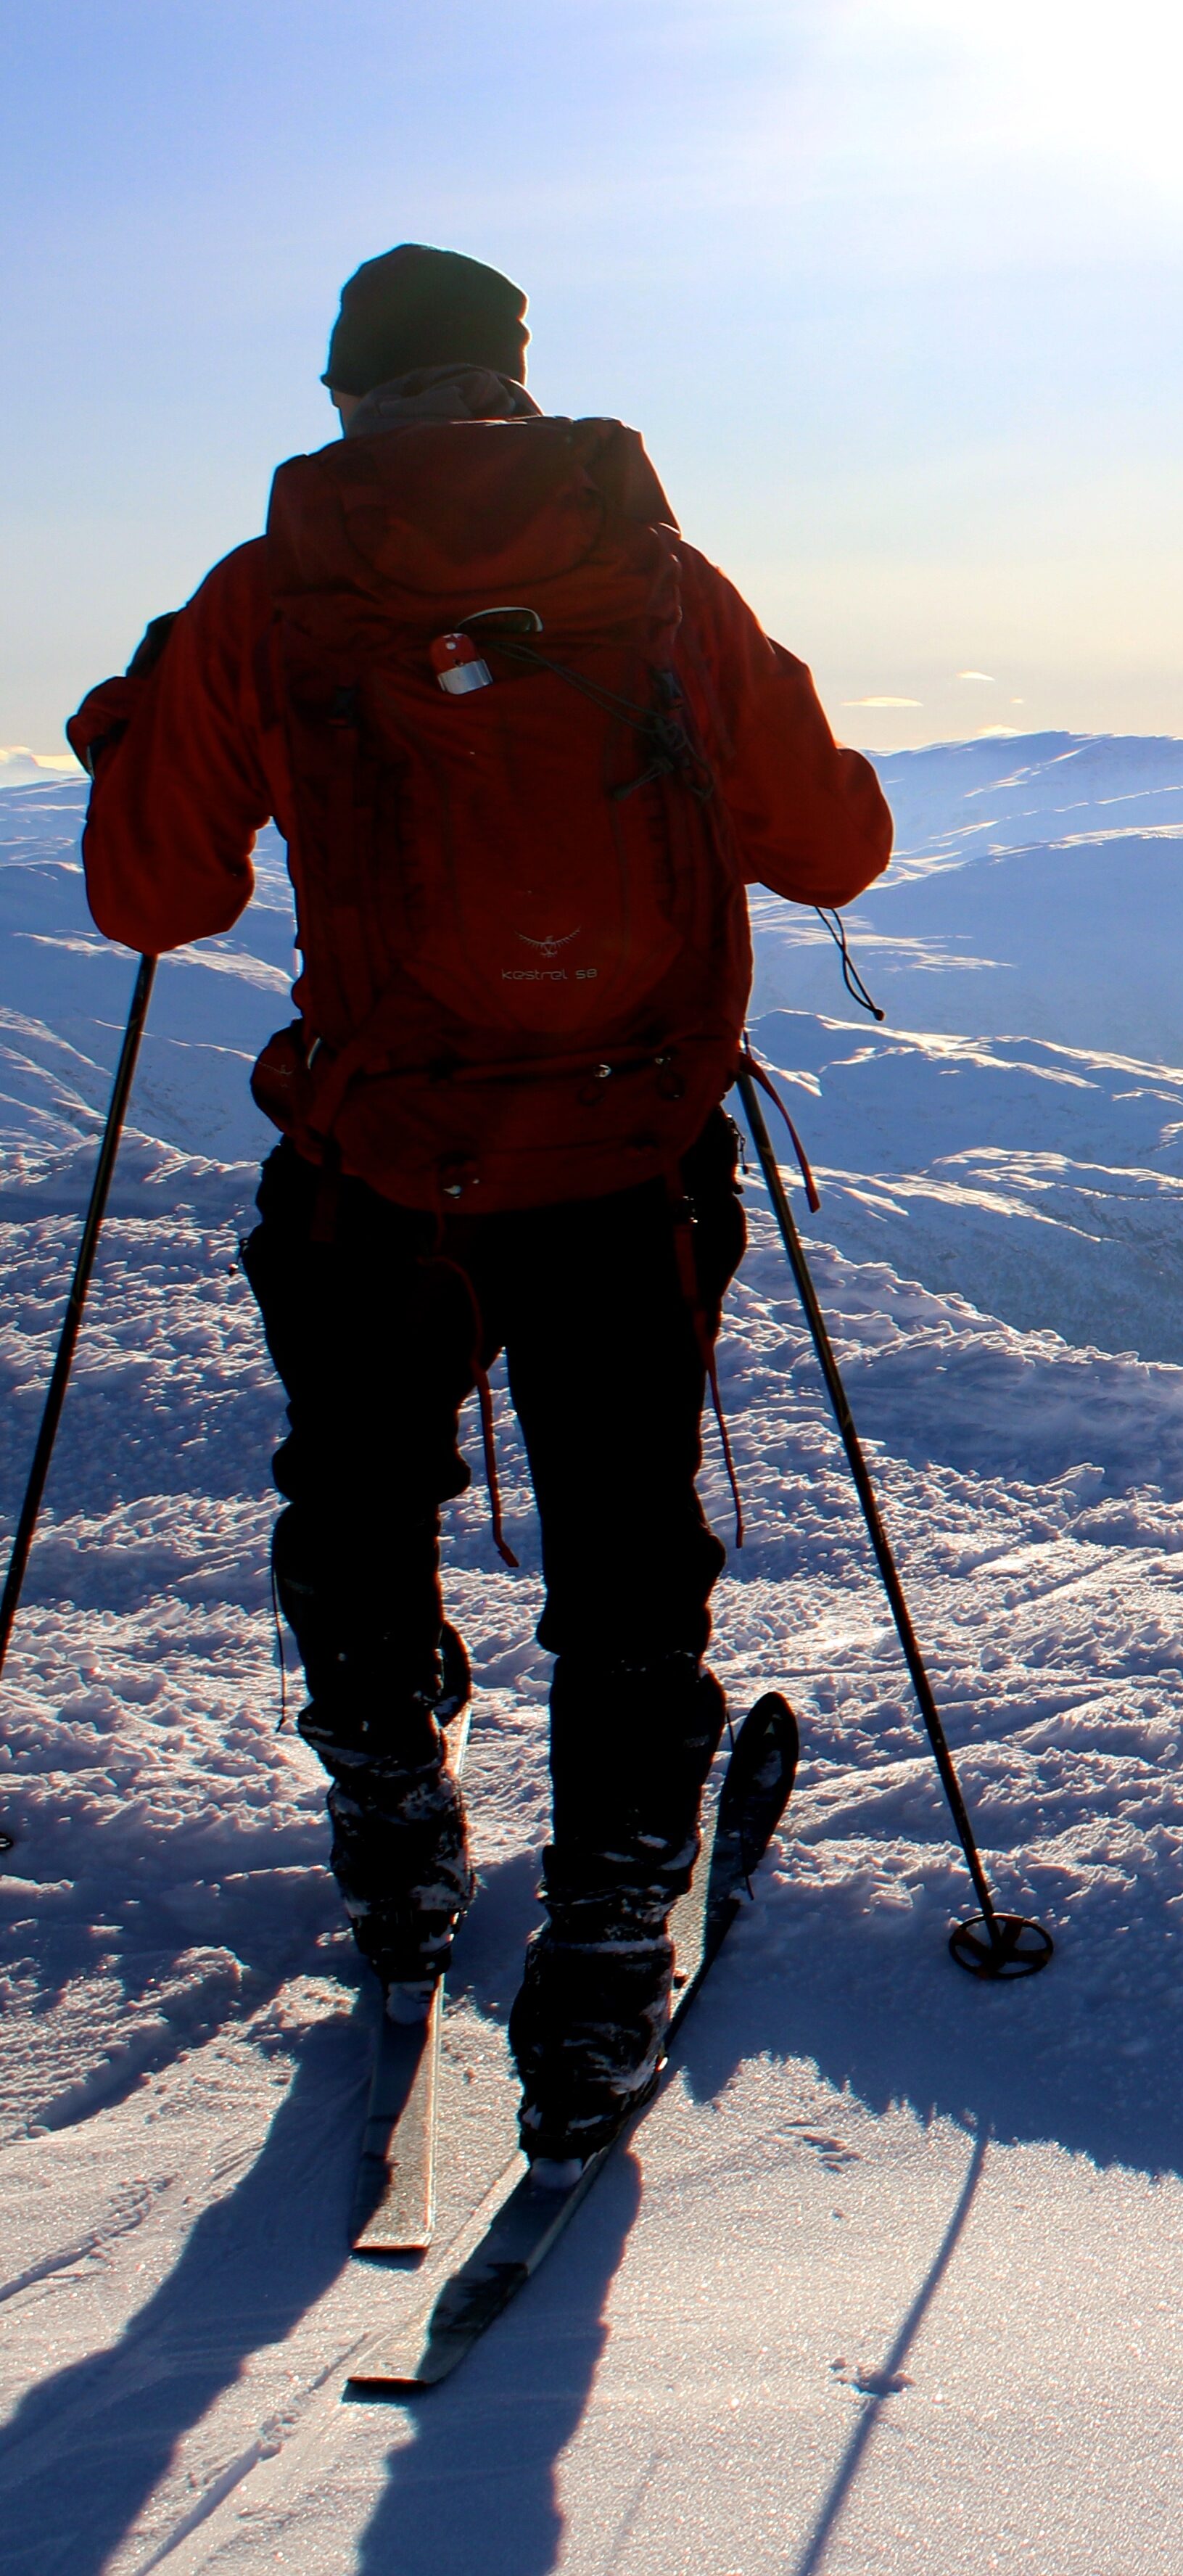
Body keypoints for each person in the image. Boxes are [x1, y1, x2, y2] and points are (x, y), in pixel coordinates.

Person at [70, 245, 891, 2168]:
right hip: (625, 1165)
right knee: (624, 1536)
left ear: (349, 394)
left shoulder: (268, 603)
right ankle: (611, 1928)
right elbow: (836, 844)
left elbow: (149, 903)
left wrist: (134, 741)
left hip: (376, 1166)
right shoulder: (659, 587)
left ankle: (393, 1832)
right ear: (513, 385)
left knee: (358, 1493)